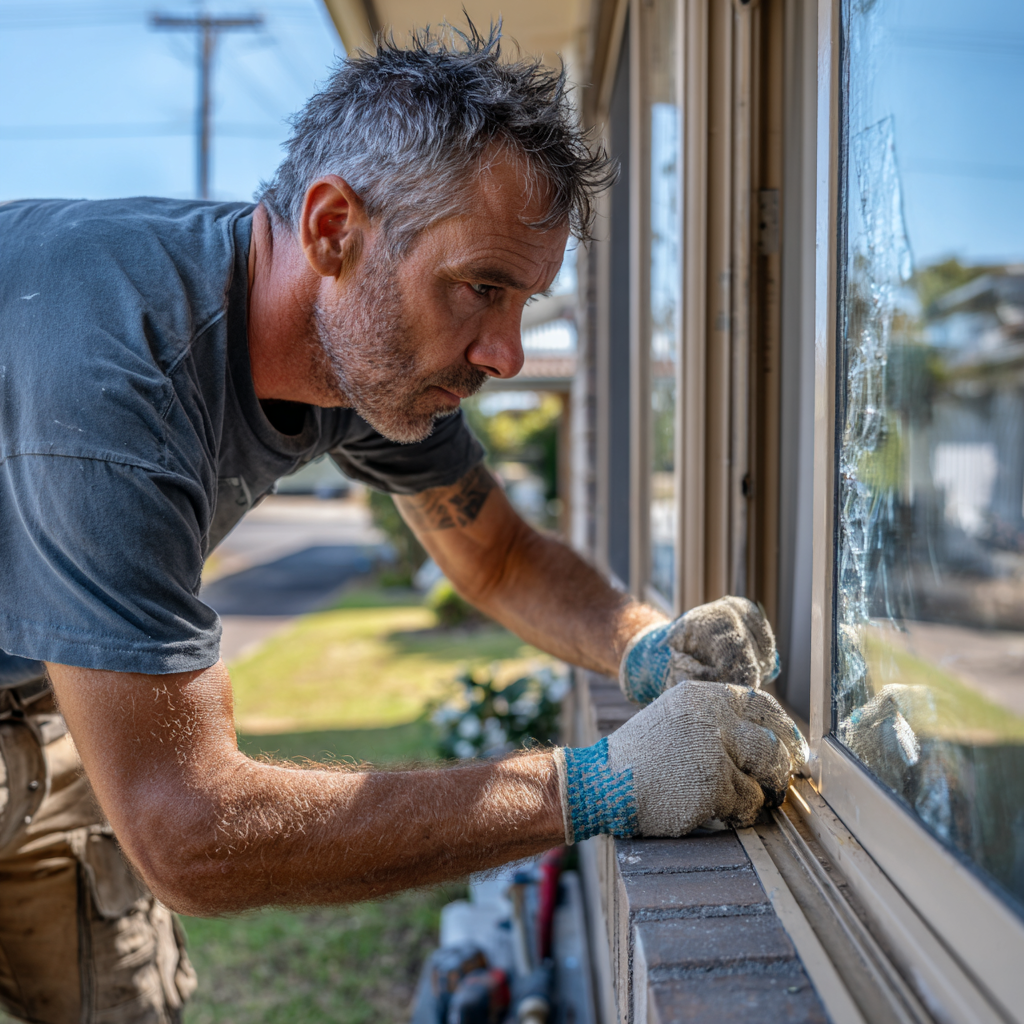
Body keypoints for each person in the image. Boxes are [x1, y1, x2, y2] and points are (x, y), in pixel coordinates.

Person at [0, 25, 806, 1024]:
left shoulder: (355, 349)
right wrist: (599, 785)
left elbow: (499, 554)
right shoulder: (116, 379)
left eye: (523, 300)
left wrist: (642, 643)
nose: (507, 353)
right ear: (334, 227)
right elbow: (191, 831)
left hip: (48, 700)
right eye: (482, 288)